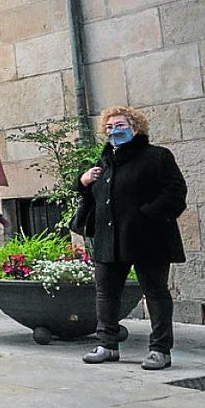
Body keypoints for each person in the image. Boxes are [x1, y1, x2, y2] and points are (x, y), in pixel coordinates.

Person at [78, 106, 187, 371]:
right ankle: (107, 344)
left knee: (156, 293)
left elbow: (175, 192)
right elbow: (94, 199)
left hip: (149, 238)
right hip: (110, 237)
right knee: (106, 293)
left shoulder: (157, 157)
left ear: (135, 127)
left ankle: (160, 350)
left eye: (120, 125)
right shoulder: (104, 162)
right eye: (109, 127)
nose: (114, 130)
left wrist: (146, 215)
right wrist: (82, 182)